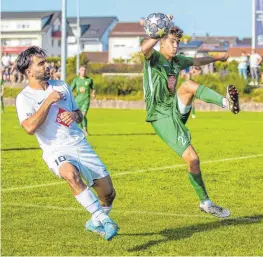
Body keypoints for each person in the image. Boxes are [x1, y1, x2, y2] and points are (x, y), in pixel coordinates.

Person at [15, 46, 118, 240]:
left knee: (108, 194)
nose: (48, 66)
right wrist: (48, 101)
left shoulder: (61, 85)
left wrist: (74, 115)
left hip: (79, 144)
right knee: (71, 174)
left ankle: (95, 222)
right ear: (29, 71)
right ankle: (102, 220)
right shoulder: (24, 98)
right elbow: (29, 128)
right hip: (55, 149)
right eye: (41, 63)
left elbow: (78, 114)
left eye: (46, 62)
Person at [141, 19, 240, 218]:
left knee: (188, 85)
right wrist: (157, 33)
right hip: (160, 116)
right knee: (193, 159)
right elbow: (144, 49)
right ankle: (206, 202)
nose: (176, 45)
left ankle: (225, 103)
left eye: (178, 42)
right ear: (161, 42)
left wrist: (218, 57)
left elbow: (197, 61)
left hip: (174, 110)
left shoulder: (177, 61)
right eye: (172, 42)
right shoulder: (153, 58)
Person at [70, 66, 96, 136]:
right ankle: (82, 129)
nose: (83, 72)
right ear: (79, 71)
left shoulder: (89, 80)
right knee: (78, 117)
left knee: (83, 115)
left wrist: (93, 94)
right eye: (82, 70)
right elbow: (70, 89)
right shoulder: (76, 80)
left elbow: (93, 88)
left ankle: (84, 129)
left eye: (84, 70)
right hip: (77, 100)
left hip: (86, 100)